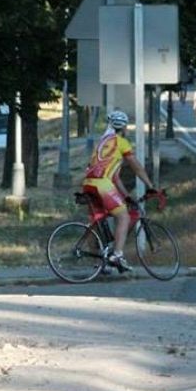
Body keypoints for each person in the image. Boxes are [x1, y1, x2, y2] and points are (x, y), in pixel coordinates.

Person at [82, 110, 157, 271]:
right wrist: (150, 185)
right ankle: (117, 254)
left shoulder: (102, 142)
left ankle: (98, 263)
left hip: (89, 183)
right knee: (123, 216)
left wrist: (127, 196)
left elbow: (115, 177)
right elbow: (136, 166)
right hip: (102, 184)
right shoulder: (121, 142)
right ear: (123, 128)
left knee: (97, 221)